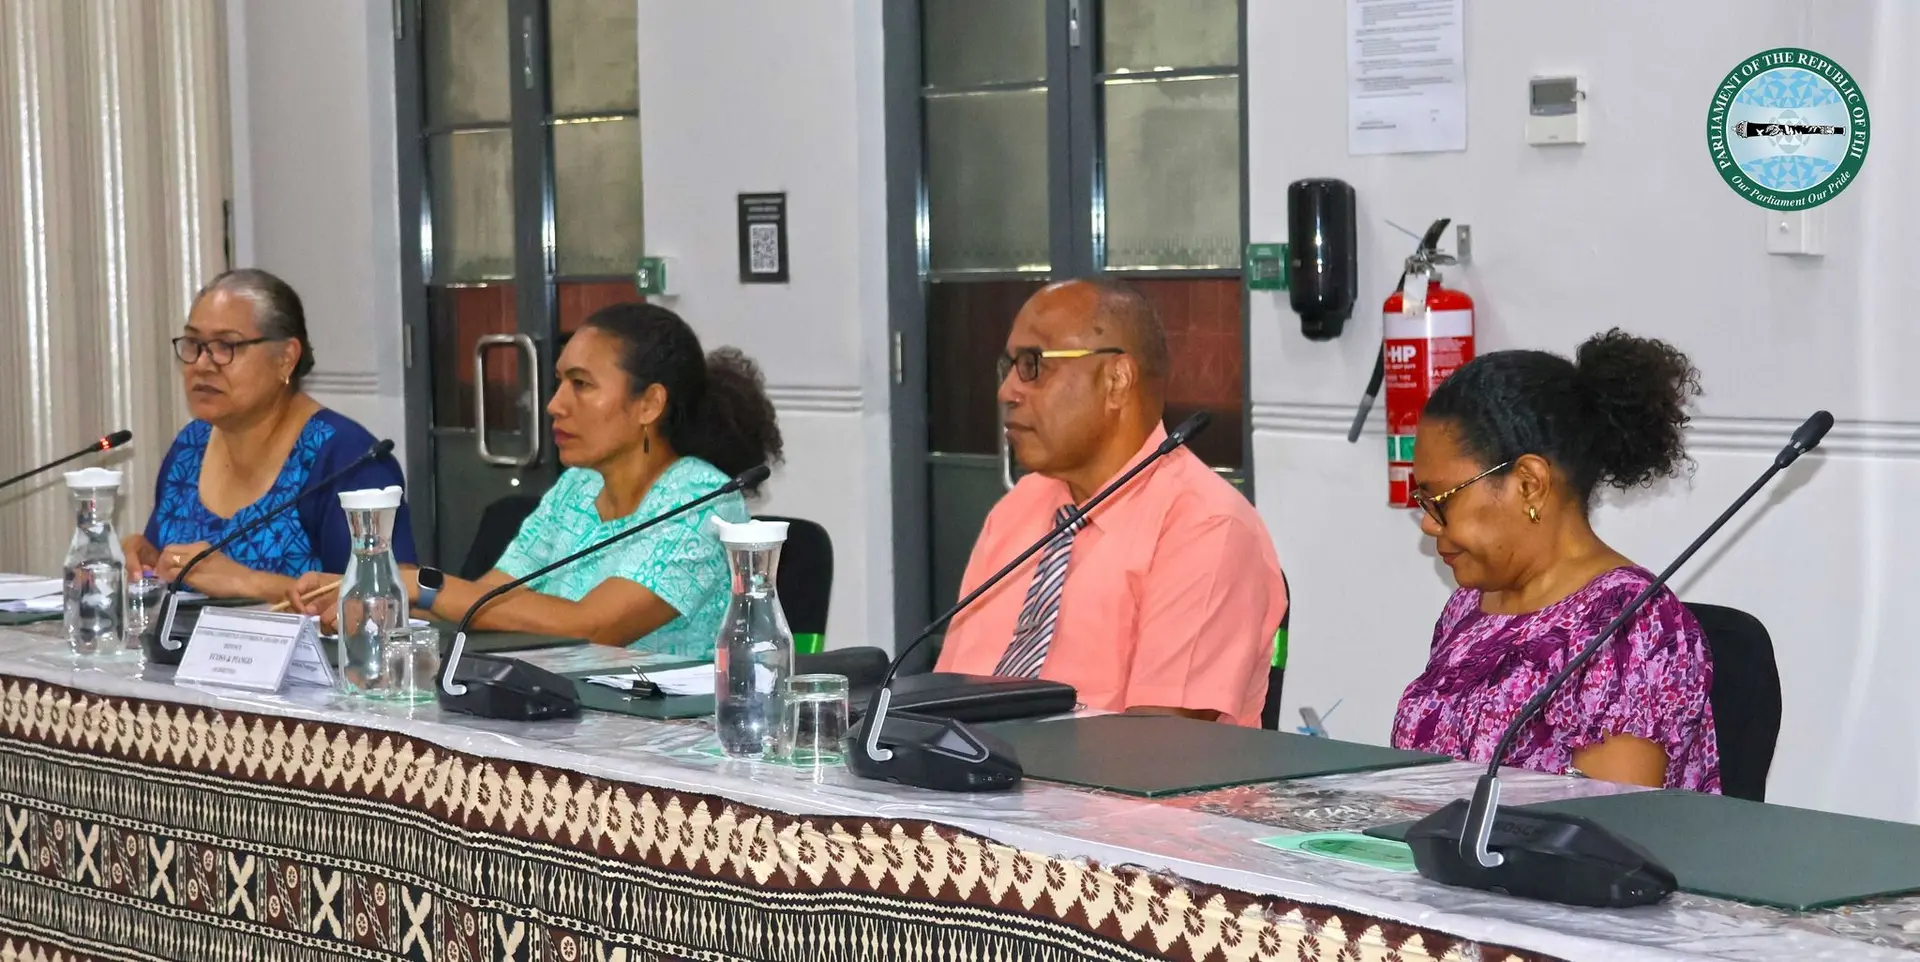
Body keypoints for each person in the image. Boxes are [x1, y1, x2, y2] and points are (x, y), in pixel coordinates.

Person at [301, 303, 782, 657]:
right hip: (565, 715)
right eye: (559, 382)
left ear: (649, 404)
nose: (555, 404)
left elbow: (593, 626)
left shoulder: (702, 500)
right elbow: (491, 599)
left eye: (582, 384)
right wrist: (373, 588)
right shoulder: (578, 487)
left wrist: (420, 587)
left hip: (675, 744)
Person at [933, 279, 1288, 726]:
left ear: (1117, 380)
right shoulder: (1017, 510)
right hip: (971, 790)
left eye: (1033, 366)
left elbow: (1160, 752)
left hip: (1110, 792)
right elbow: (941, 702)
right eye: (1008, 367)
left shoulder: (1205, 527)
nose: (1007, 391)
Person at [1391, 329, 1722, 793]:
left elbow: (1600, 839)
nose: (1428, 524)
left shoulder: (1633, 629)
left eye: (1439, 500)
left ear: (1529, 483)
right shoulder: (1469, 608)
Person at [129, 268, 415, 600]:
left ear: (285, 358)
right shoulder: (191, 446)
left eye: (226, 346)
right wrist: (147, 560)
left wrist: (247, 583)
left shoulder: (347, 461)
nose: (202, 364)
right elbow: (174, 571)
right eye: (194, 343)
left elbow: (385, 601)